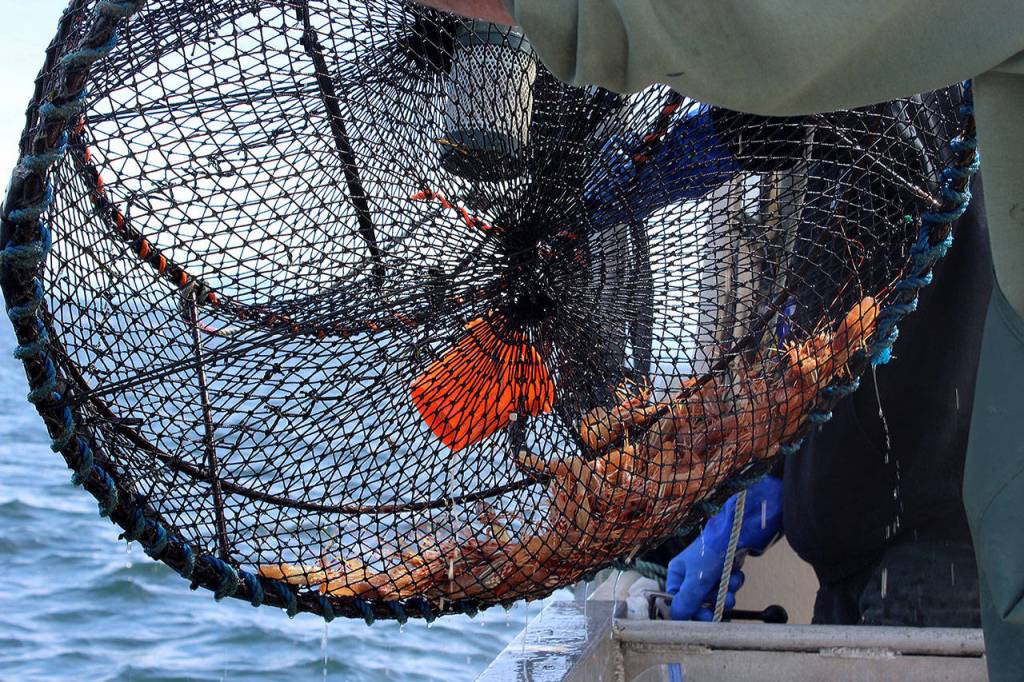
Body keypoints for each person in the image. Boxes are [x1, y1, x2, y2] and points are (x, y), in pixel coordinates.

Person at [408, 2, 1023, 678]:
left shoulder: (937, 77)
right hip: (857, 558)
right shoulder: (863, 102)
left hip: (935, 564)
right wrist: (777, 478)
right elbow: (794, 116)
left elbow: (820, 84)